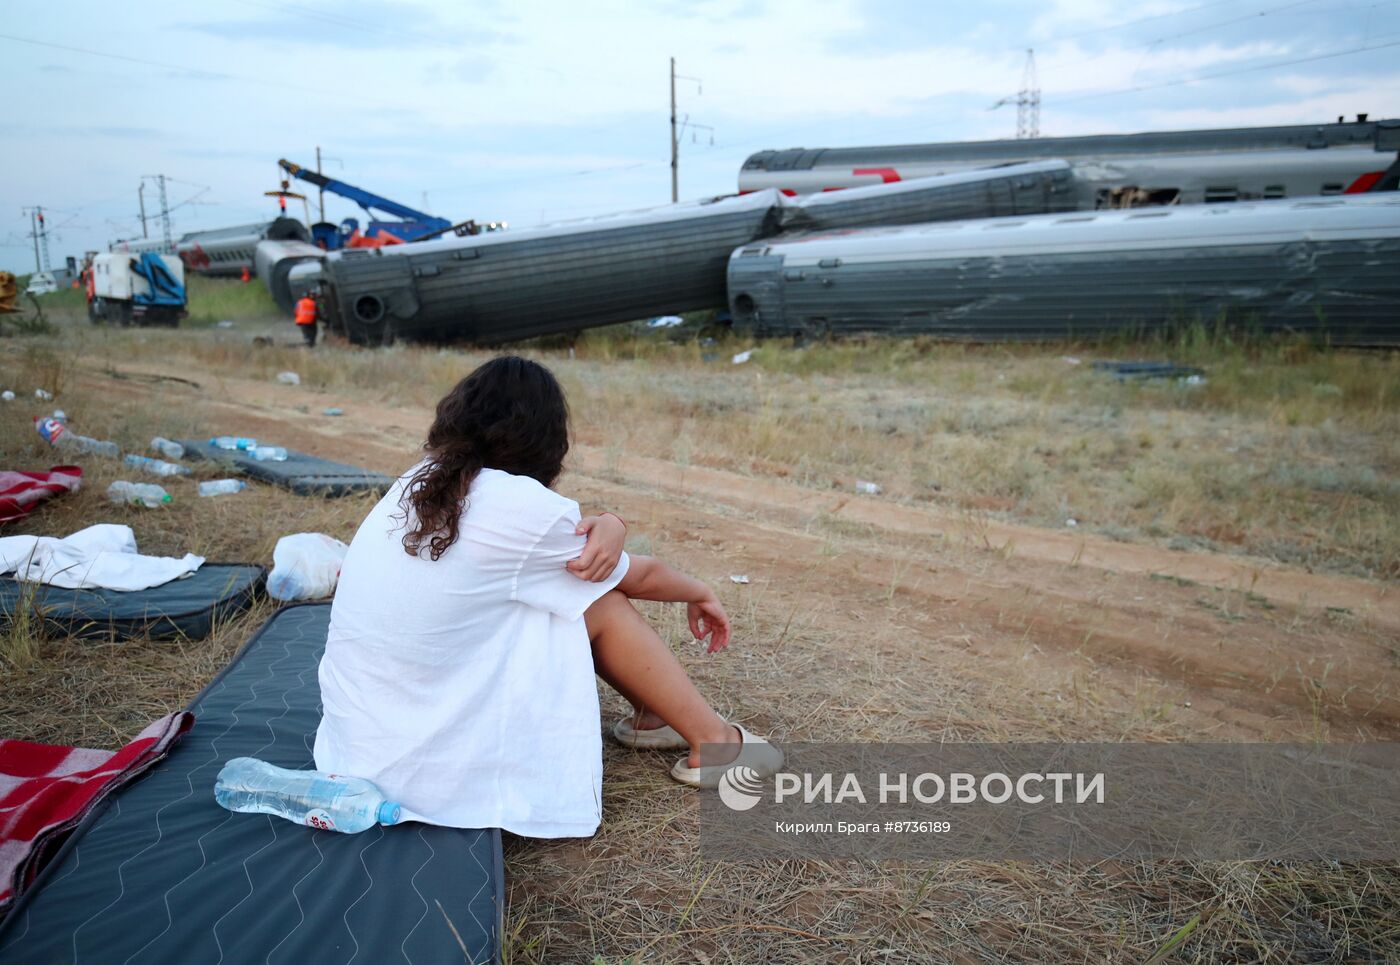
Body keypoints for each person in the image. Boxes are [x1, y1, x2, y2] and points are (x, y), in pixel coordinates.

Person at [313, 356, 780, 838]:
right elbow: (635, 576)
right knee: (595, 601)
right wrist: (700, 591)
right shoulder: (516, 504)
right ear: (546, 437)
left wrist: (613, 523)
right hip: (423, 771)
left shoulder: (419, 481)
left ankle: (653, 715)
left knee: (568, 590)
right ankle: (715, 742)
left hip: (358, 747)